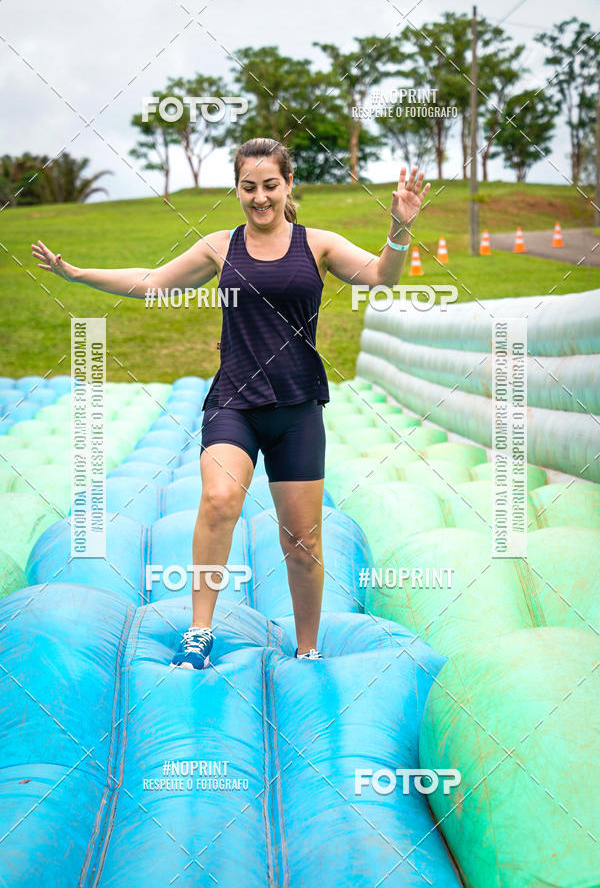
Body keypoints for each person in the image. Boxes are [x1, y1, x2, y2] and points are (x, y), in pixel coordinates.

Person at [31, 136, 430, 670]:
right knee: (219, 499)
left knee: (302, 542)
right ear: (236, 188)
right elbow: (153, 284)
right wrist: (77, 275)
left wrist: (400, 225)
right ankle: (200, 630)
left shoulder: (320, 245)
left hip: (296, 408)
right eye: (249, 187)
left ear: (288, 185)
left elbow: (383, 275)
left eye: (270, 185)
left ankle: (308, 646)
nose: (260, 197)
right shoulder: (221, 246)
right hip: (234, 402)